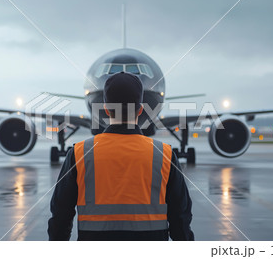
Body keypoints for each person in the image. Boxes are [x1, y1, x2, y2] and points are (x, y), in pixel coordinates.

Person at [48, 72, 194, 241]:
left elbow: (60, 217)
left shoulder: (79, 153)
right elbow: (180, 220)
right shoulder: (165, 154)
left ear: (106, 109)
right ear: (140, 110)